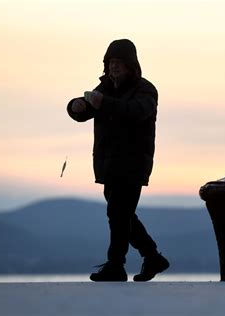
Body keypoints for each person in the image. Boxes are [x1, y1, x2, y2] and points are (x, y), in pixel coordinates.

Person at [67, 39, 169, 282]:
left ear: (130, 65)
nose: (113, 67)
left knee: (118, 212)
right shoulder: (105, 88)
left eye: (118, 63)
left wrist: (104, 103)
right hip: (108, 164)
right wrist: (76, 106)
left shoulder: (145, 90)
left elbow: (136, 112)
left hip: (133, 163)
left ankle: (116, 265)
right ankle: (153, 257)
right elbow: (85, 112)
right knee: (122, 215)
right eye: (110, 63)